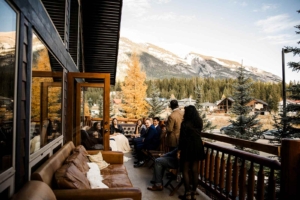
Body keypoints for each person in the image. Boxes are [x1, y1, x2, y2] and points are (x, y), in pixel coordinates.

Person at [178, 105, 205, 200]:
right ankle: (194, 192)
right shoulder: (199, 122)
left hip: (187, 146)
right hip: (197, 146)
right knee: (195, 170)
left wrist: (179, 149)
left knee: (185, 170)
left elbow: (182, 138)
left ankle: (188, 193)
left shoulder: (185, 123)